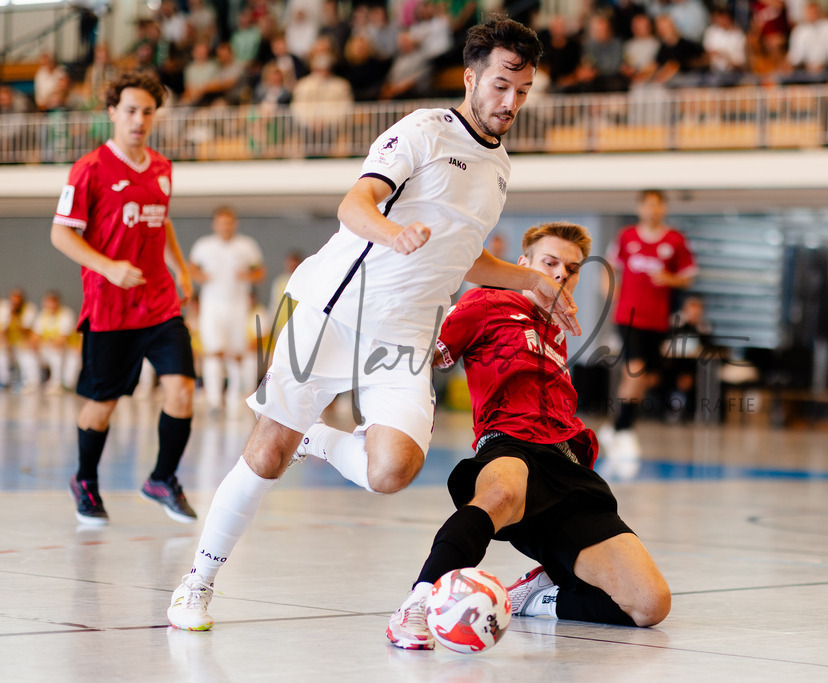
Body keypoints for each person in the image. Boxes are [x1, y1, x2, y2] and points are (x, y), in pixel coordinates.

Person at [166, 16, 579, 632]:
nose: (510, 101)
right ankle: (197, 582)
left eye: (522, 91)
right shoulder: (422, 131)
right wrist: (394, 232)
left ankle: (319, 440)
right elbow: (354, 204)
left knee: (392, 470)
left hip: (406, 335)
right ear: (470, 78)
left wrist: (534, 282)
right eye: (500, 85)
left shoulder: (499, 169)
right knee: (267, 451)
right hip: (334, 309)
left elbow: (466, 257)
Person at [386, 222, 671, 650]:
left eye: (571, 269)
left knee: (650, 605)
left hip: (569, 469)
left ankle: (538, 598)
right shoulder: (486, 301)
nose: (560, 274)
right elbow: (425, 358)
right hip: (509, 443)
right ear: (523, 265)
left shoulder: (558, 325)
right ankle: (419, 602)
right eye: (550, 263)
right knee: (500, 494)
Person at [50, 71, 197, 526]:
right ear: (112, 112)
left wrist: (180, 268)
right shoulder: (90, 169)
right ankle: (86, 480)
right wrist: (108, 266)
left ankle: (161, 478)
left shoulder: (161, 168)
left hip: (158, 304)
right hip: (110, 309)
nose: (139, 120)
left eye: (147, 112)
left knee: (183, 390)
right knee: (102, 405)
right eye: (130, 110)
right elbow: (60, 233)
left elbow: (162, 220)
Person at [600, 189, 697, 460]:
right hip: (628, 316)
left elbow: (688, 276)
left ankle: (613, 426)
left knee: (648, 377)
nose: (652, 210)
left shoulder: (675, 240)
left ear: (663, 209)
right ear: (640, 208)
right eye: (648, 205)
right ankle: (624, 429)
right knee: (635, 369)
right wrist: (611, 298)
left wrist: (670, 279)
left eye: (657, 206)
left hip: (658, 319)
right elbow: (608, 268)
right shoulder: (627, 236)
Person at [189, 206, 265, 415]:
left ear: (235, 223)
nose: (225, 227)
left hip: (238, 305)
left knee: (237, 353)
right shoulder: (203, 246)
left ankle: (237, 397)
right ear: (215, 224)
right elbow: (192, 268)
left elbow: (260, 271)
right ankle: (214, 400)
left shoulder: (246, 246)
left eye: (229, 222)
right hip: (212, 305)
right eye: (221, 222)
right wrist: (199, 276)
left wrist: (248, 276)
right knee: (213, 351)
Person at [33, 290, 80, 394]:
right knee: (28, 353)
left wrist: (47, 343)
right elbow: (36, 334)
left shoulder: (66, 314)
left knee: (58, 356)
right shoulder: (42, 315)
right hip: (49, 348)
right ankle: (33, 381)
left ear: (57, 302)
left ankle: (57, 383)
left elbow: (62, 339)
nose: (49, 305)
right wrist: (33, 344)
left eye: (51, 302)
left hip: (69, 350)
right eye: (46, 302)